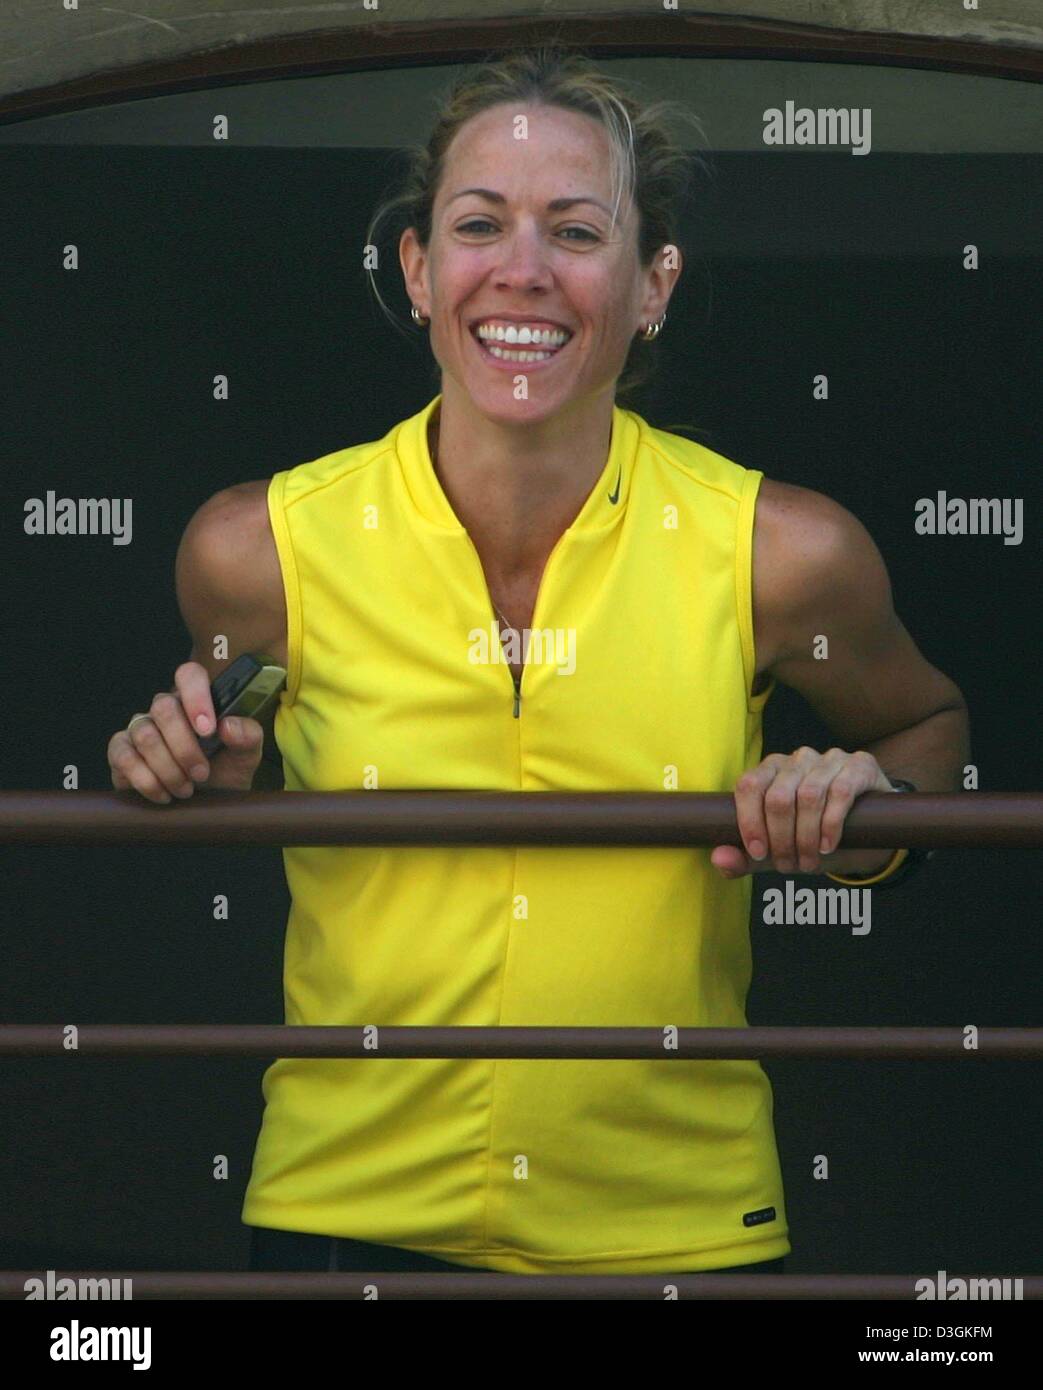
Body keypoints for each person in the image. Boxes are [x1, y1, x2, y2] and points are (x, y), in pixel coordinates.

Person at [107, 44, 969, 1277]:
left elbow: (927, 729)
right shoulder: (256, 551)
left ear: (652, 283)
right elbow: (225, 757)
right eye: (477, 224)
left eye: (575, 230)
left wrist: (863, 808)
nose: (522, 271)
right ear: (416, 268)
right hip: (343, 1212)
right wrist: (186, 759)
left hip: (675, 1220)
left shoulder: (786, 550)